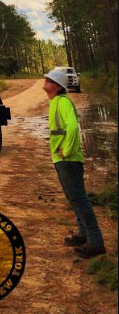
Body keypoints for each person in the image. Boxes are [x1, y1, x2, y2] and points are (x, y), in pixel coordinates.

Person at [43, 69, 105, 258]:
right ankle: (83, 234)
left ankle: (96, 243)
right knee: (74, 198)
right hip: (62, 158)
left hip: (67, 158)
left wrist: (67, 151)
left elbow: (71, 127)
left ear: (57, 86)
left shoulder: (63, 102)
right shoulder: (55, 102)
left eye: (49, 79)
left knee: (79, 199)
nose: (45, 81)